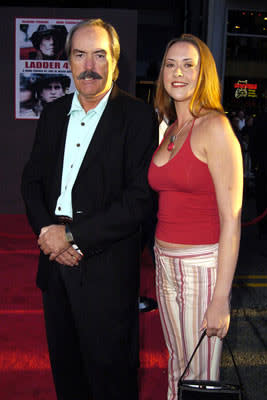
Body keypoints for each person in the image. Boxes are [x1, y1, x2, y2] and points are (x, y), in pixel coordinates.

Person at [21, 18, 158, 400]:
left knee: (111, 381)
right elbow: (31, 182)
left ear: (115, 62)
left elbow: (139, 199)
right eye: (80, 55)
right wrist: (50, 234)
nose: (89, 66)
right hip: (54, 268)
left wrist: (72, 236)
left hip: (106, 271)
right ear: (68, 62)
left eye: (100, 56)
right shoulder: (52, 114)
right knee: (67, 377)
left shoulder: (138, 117)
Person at [148, 34, 243, 400]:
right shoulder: (171, 129)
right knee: (178, 363)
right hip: (164, 262)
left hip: (201, 266)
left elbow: (232, 220)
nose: (178, 72)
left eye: (189, 65)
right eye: (170, 64)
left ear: (204, 74)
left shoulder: (215, 128)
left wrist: (220, 299)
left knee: (200, 377)